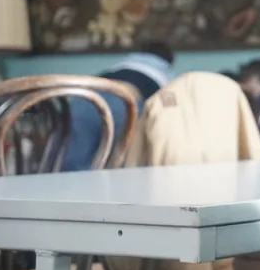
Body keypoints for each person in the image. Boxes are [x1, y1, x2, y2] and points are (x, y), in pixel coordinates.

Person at [61, 41, 175, 172]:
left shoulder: (124, 63)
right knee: (119, 163)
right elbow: (169, 105)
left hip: (86, 98)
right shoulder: (166, 73)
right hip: (124, 104)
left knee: (75, 159)